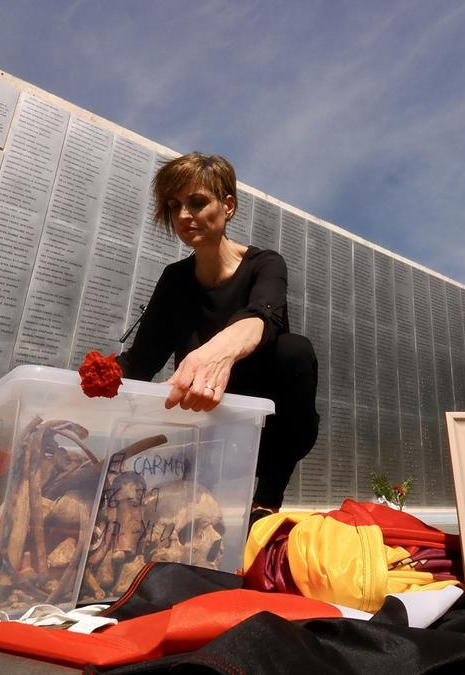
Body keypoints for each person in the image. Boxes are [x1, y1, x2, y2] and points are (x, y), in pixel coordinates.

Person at [116, 153, 319, 522]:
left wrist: (214, 354)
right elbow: (141, 361)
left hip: (268, 433)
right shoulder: (175, 280)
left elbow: (260, 319)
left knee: (295, 350)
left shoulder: (265, 264)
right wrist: (91, 381)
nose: (182, 216)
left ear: (228, 206)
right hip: (203, 426)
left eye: (196, 202)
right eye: (174, 205)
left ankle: (267, 499)